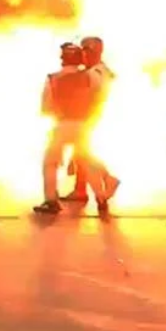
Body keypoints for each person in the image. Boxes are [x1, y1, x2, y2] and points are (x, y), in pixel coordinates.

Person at [34, 43, 108, 215]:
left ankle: (51, 201)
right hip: (83, 124)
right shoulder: (91, 76)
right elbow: (99, 96)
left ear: (63, 59)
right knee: (86, 161)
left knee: (50, 162)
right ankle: (101, 197)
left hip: (62, 124)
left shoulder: (53, 78)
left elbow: (46, 106)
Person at [62, 36, 121, 202]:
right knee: (80, 153)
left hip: (88, 116)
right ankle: (80, 189)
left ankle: (107, 178)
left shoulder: (96, 72)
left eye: (86, 49)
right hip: (88, 116)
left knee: (83, 153)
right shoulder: (97, 70)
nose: (83, 54)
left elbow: (89, 96)